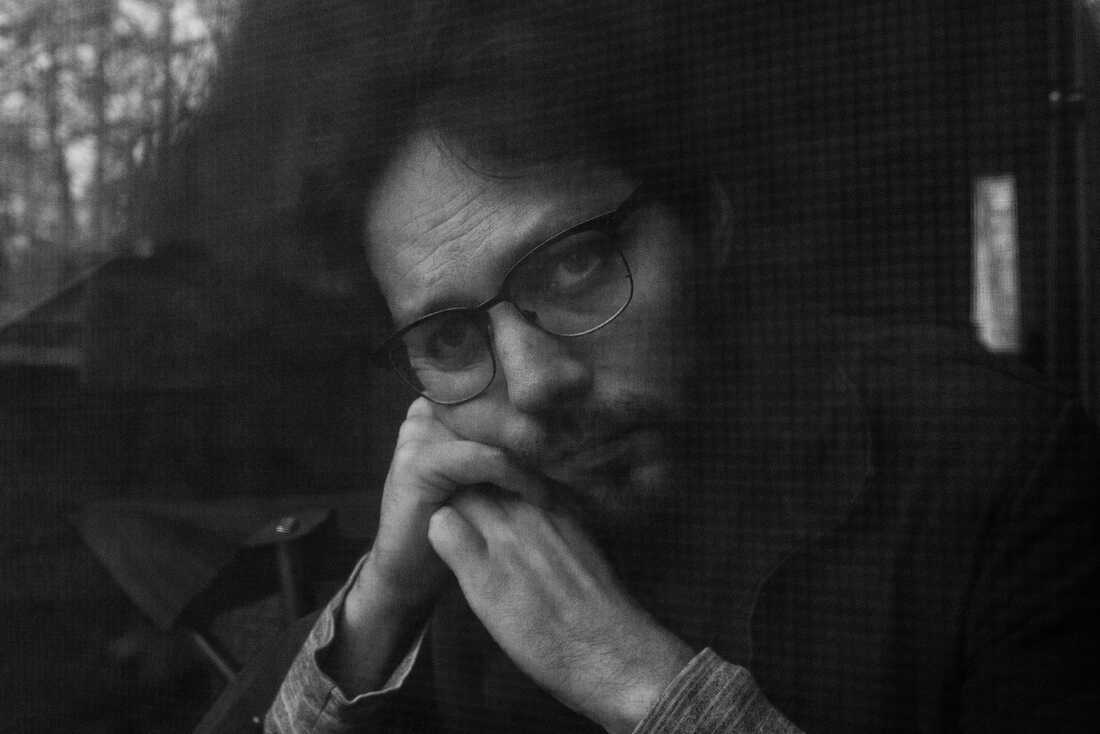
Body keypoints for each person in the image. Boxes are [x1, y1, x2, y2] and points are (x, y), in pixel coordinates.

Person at [261, 2, 1100, 732]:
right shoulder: (465, 530)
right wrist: (380, 607)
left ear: (703, 220)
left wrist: (642, 687)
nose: (537, 382)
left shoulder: (993, 466)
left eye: (576, 265)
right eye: (448, 339)